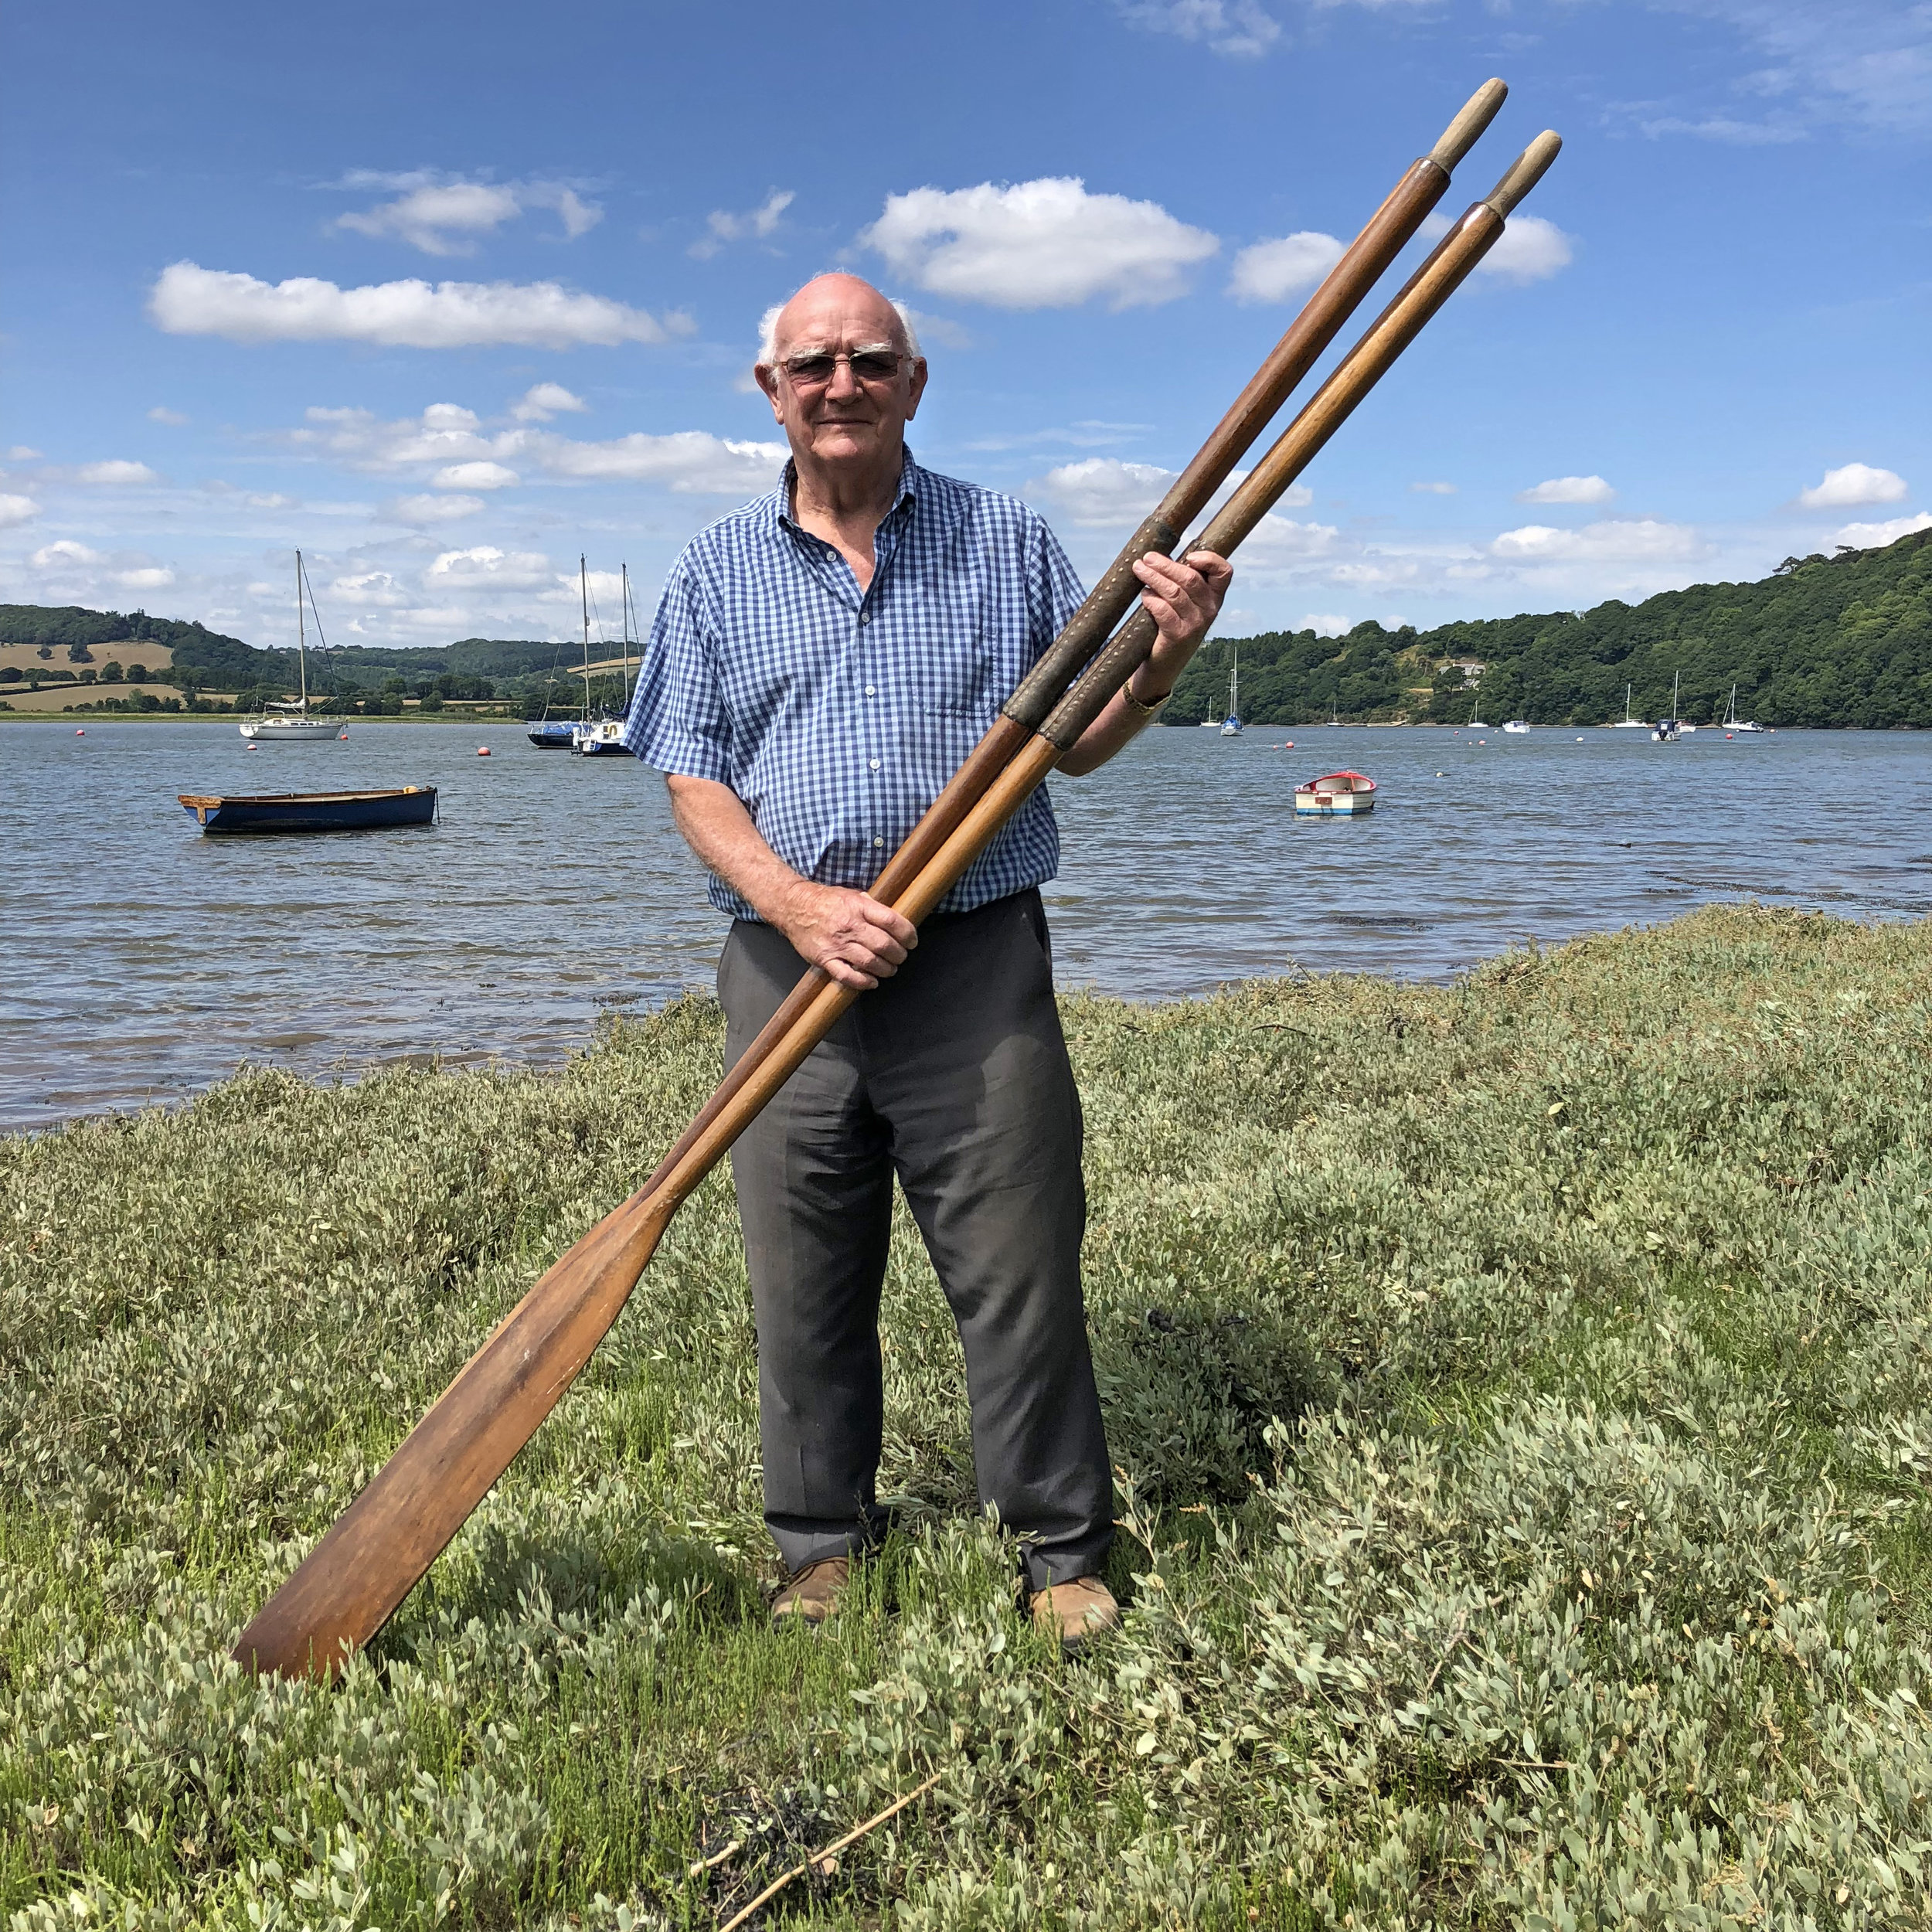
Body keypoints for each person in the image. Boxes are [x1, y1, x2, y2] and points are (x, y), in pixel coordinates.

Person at [624, 273, 1230, 1650]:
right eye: (814, 364)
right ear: (771, 390)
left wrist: (1160, 663)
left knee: (1019, 1268)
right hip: (788, 970)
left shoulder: (1004, 539)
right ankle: (822, 1545)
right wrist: (799, 908)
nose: (842, 384)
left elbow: (1076, 741)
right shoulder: (714, 569)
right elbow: (692, 777)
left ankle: (1060, 1552)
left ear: (914, 383)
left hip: (975, 959)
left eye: (871, 361)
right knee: (802, 1273)